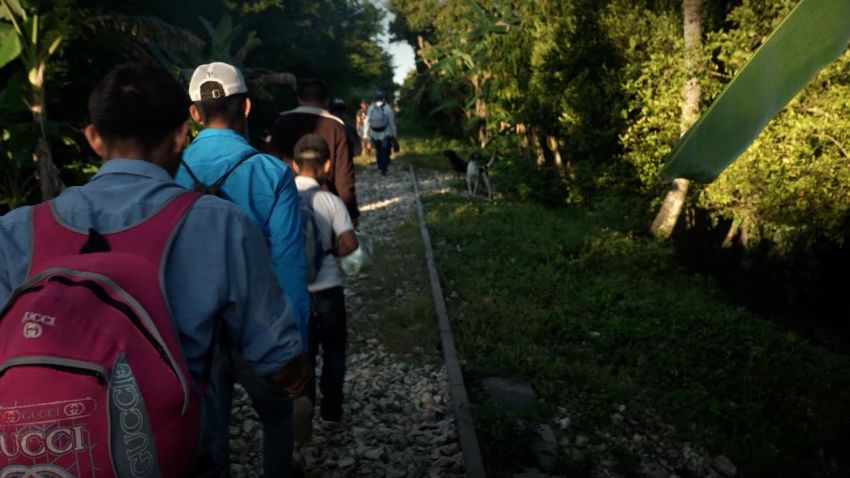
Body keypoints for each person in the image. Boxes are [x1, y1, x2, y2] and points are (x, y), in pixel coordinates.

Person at [0, 64, 309, 475]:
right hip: (168, 452)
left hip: (42, 453)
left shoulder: (17, 230)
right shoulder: (220, 223)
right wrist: (297, 369)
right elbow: (279, 356)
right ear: (181, 133)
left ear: (93, 138)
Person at [175, 61, 311, 477]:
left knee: (209, 433)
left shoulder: (170, 171)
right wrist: (296, 347)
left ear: (194, 113)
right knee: (277, 418)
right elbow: (289, 265)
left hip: (192, 328)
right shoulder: (272, 172)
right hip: (257, 325)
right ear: (246, 107)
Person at [292, 134, 359, 427]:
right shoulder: (330, 200)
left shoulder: (281, 197)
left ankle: (302, 404)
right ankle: (331, 412)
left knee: (303, 351)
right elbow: (350, 244)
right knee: (333, 350)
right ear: (328, 164)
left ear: (294, 165)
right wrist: (330, 250)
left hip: (296, 291)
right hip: (328, 288)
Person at [266, 79, 360, 225]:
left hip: (287, 204)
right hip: (326, 205)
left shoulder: (281, 123)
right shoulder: (335, 127)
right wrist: (350, 213)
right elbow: (344, 177)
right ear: (326, 101)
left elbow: (269, 167)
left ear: (299, 99)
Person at [366, 91, 398, 176]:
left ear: (375, 99)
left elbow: (367, 121)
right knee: (384, 151)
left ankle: (380, 167)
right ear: (383, 99)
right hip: (385, 133)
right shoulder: (387, 108)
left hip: (374, 133)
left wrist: (366, 135)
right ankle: (384, 169)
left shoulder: (371, 108)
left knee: (378, 150)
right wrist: (394, 135)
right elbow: (392, 123)